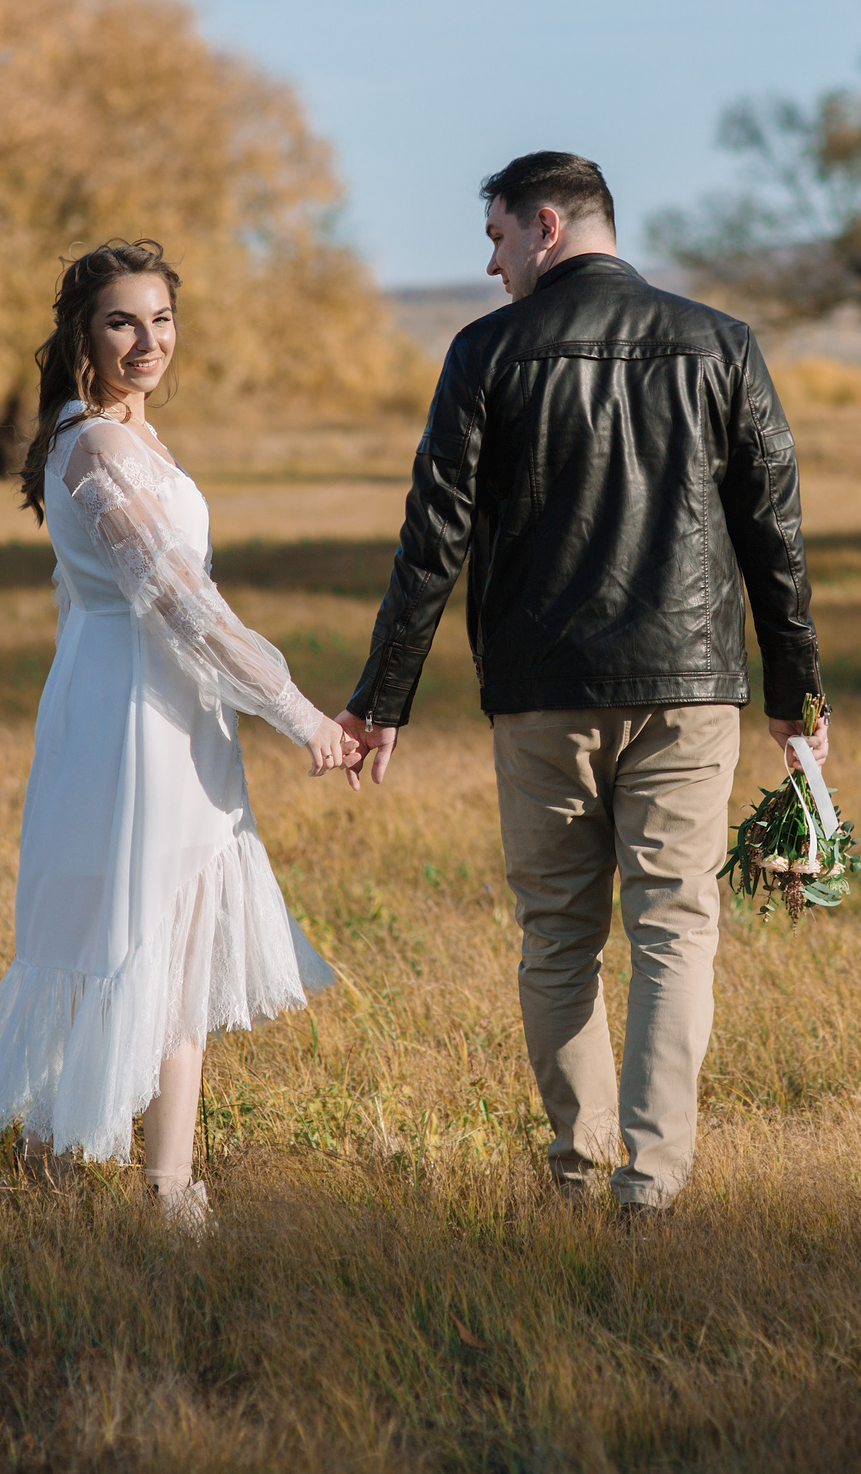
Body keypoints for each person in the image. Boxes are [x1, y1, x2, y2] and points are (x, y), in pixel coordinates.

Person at [337, 152, 826, 1217]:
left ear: (547, 226)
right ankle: (650, 1185)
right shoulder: (721, 345)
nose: (489, 261)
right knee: (673, 929)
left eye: (498, 237)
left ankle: (576, 1168)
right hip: (692, 687)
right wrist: (798, 696)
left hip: (542, 690)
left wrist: (383, 700)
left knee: (558, 932)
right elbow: (773, 537)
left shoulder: (488, 353)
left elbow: (433, 541)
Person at [0, 239, 356, 1232]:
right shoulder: (92, 443)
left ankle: (170, 1184)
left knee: (180, 938)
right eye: (122, 321)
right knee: (114, 932)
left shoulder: (124, 435)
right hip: (129, 710)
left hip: (174, 707)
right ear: (80, 335)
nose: (149, 340)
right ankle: (65, 1167)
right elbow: (178, 603)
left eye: (162, 319)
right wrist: (297, 711)